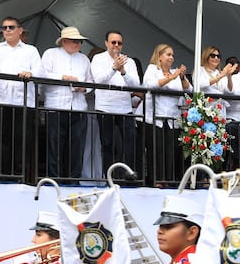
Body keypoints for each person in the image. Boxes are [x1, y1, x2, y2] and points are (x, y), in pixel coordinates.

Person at [0, 17, 42, 176]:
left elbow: (39, 71)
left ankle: (19, 176)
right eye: (4, 28)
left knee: (22, 141)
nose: (7, 30)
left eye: (11, 27)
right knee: (1, 141)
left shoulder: (31, 50)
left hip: (23, 102)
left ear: (20, 30)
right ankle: (2, 175)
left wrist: (31, 73)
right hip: (0, 100)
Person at [40, 26, 92, 179]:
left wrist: (83, 88)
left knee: (76, 146)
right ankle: (53, 179)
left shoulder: (84, 59)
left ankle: (74, 179)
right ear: (64, 41)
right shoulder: (51, 54)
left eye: (80, 42)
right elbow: (42, 74)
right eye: (75, 41)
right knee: (55, 145)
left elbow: (90, 81)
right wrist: (63, 77)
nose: (79, 44)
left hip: (78, 107)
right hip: (56, 106)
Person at [90, 30, 142, 177]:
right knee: (108, 145)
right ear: (106, 43)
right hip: (105, 108)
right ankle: (110, 177)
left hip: (125, 108)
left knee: (130, 142)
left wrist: (123, 71)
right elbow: (98, 80)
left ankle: (127, 174)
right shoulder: (98, 59)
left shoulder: (129, 61)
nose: (116, 45)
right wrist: (113, 68)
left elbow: (136, 84)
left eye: (119, 43)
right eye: (113, 42)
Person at [142, 44, 191, 185]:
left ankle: (169, 180)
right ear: (159, 56)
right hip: (155, 118)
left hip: (172, 118)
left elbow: (190, 90)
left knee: (171, 150)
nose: (171, 57)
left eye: (172, 55)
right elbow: (149, 85)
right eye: (168, 54)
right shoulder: (152, 69)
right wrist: (170, 78)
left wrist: (181, 78)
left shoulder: (176, 72)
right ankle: (156, 180)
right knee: (156, 150)